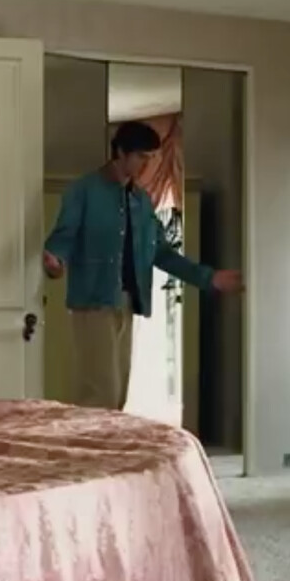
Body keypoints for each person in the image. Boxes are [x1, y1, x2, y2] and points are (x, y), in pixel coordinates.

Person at [42, 121, 244, 410]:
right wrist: (56, 263)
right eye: (141, 157)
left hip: (127, 301)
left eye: (151, 158)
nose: (146, 165)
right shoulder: (84, 191)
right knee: (100, 391)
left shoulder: (141, 201)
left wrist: (208, 278)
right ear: (121, 152)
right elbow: (63, 239)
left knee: (119, 392)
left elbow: (161, 252)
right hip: (93, 301)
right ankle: (92, 439)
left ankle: (109, 439)